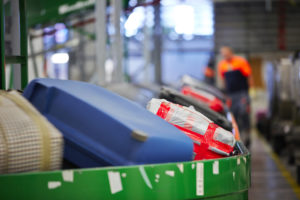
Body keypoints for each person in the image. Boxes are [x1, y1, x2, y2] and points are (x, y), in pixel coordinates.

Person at [217, 46, 252, 147]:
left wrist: (249, 92)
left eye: (225, 53)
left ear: (230, 52)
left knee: (244, 113)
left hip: (242, 93)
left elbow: (248, 76)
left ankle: (248, 135)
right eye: (222, 53)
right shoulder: (222, 65)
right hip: (231, 95)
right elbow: (224, 80)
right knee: (234, 116)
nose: (224, 55)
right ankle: (238, 138)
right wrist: (225, 94)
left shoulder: (241, 62)